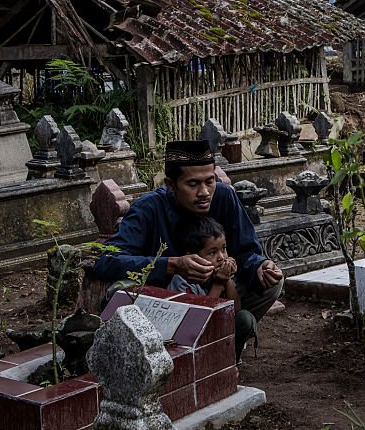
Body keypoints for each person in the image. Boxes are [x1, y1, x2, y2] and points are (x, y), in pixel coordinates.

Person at [94, 140, 283, 360]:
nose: (204, 192)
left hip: (219, 289)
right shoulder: (148, 209)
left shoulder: (224, 196)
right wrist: (171, 265)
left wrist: (260, 265)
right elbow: (106, 260)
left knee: (272, 283)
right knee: (121, 290)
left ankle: (225, 346)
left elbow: (246, 250)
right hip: (166, 303)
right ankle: (161, 354)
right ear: (171, 184)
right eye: (192, 184)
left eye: (209, 181)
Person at [168, 216, 257, 362]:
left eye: (224, 249)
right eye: (212, 253)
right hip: (191, 340)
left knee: (244, 319)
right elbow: (199, 321)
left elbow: (235, 309)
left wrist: (227, 280)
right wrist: (218, 284)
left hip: (217, 334)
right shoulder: (183, 282)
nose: (221, 257)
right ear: (192, 257)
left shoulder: (218, 273)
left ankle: (230, 360)